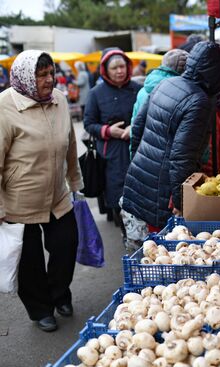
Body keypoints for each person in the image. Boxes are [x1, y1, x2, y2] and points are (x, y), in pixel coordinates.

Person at [0, 50, 83, 332]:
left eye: (51, 73)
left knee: (67, 244)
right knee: (29, 261)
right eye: (41, 74)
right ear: (25, 76)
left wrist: (75, 182)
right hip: (19, 201)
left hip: (58, 194)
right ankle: (40, 308)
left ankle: (60, 294)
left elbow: (70, 144)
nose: (49, 79)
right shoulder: (4, 106)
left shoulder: (58, 100)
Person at [122, 41, 220, 228]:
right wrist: (182, 202)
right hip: (165, 193)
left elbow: (137, 130)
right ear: (218, 76)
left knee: (153, 246)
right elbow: (182, 157)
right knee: (167, 250)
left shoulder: (165, 83)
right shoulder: (198, 101)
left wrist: (139, 167)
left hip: (144, 179)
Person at [84, 48, 140, 238]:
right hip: (110, 155)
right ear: (105, 70)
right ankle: (127, 236)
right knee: (117, 197)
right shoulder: (96, 94)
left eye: (122, 66)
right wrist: (107, 131)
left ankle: (139, 237)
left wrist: (134, 127)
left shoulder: (137, 89)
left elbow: (147, 115)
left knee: (139, 195)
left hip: (137, 150)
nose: (119, 71)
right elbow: (88, 123)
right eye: (114, 68)